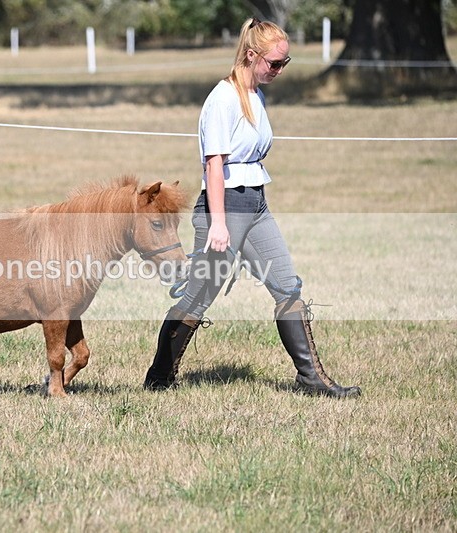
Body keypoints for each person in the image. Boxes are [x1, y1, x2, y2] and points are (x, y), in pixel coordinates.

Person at [143, 18, 360, 398]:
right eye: (274, 63)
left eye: (285, 64)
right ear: (250, 54)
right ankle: (159, 377)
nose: (279, 70)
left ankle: (312, 379)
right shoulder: (222, 99)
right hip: (225, 207)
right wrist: (219, 224)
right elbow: (214, 165)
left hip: (256, 203)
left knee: (287, 286)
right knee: (197, 296)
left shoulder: (257, 94)